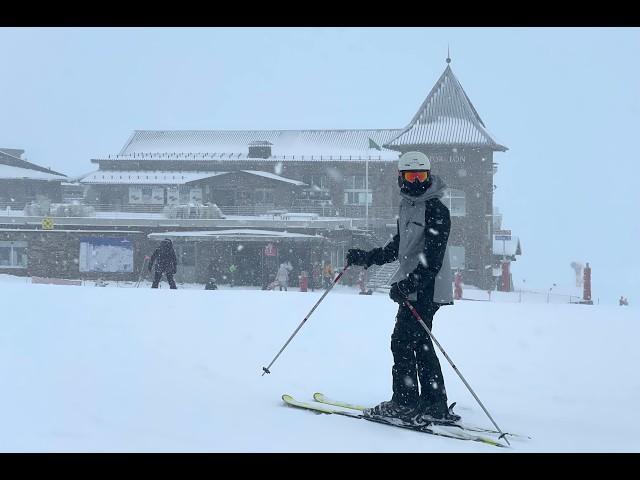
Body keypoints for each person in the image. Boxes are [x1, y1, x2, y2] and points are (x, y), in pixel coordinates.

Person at [345, 151, 457, 427]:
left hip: (428, 287)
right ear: (401, 178)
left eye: (422, 176)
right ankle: (432, 403)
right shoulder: (407, 205)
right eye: (411, 176)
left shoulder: (436, 210)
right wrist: (368, 258)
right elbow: (400, 246)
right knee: (417, 342)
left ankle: (405, 403)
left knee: (404, 341)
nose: (417, 181)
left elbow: (432, 259)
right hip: (414, 285)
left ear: (429, 177)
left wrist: (409, 284)